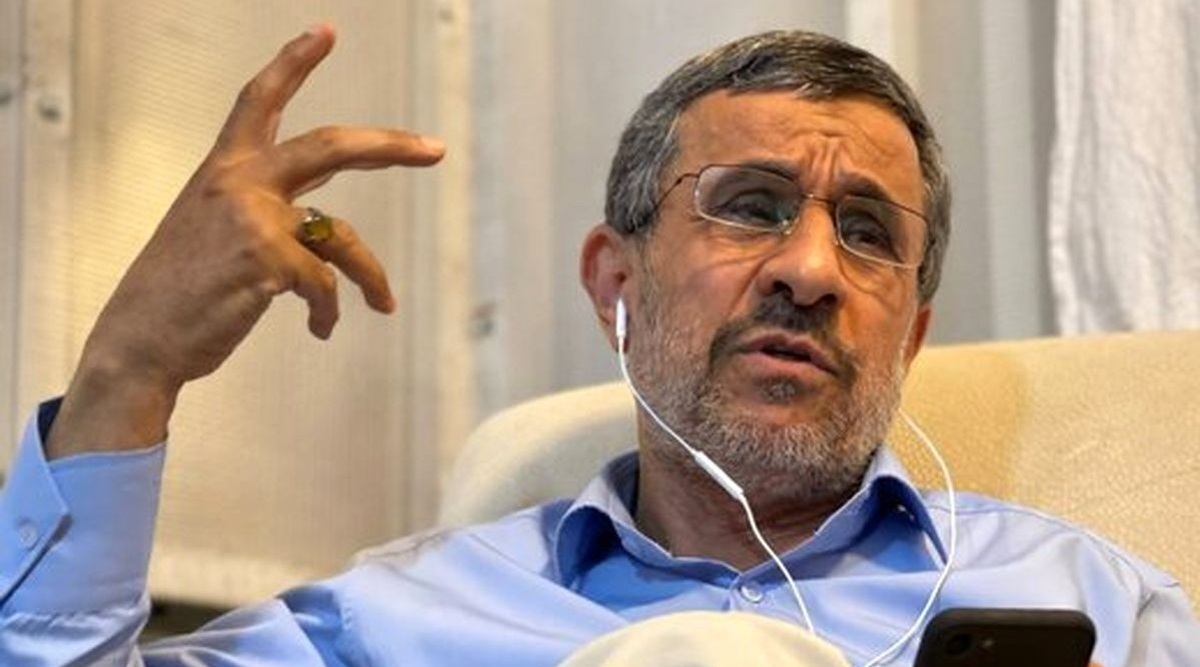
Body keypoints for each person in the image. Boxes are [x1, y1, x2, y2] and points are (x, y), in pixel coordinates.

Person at [0, 23, 1195, 667]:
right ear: (614, 283)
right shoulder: (400, 624)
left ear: (913, 332)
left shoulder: (1095, 605)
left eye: (870, 232)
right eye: (752, 205)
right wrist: (128, 372)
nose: (812, 270)